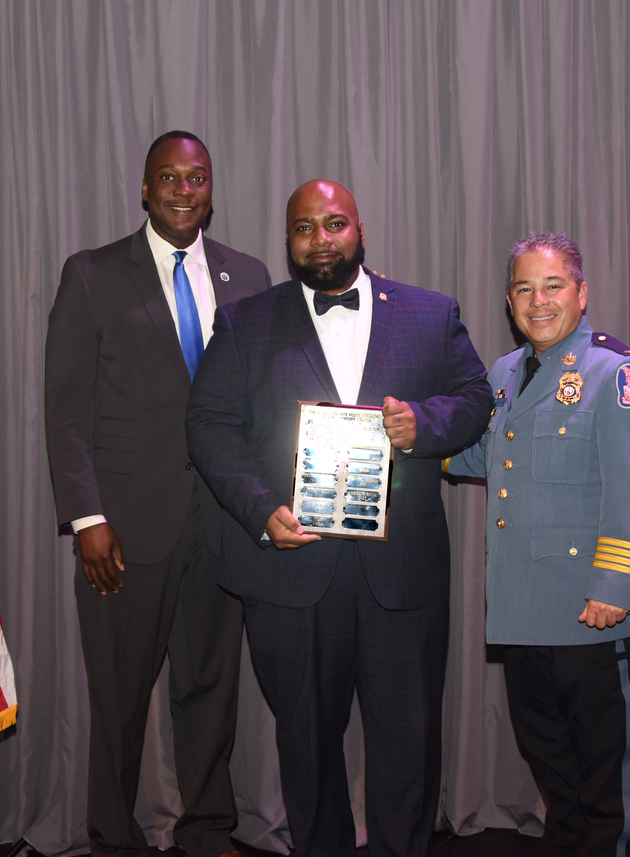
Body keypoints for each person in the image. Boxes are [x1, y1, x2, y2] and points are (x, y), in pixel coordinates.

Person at [185, 179, 491, 857]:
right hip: (292, 574)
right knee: (307, 748)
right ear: (288, 239)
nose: (319, 239)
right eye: (303, 228)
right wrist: (262, 511)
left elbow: (475, 396)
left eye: (333, 224)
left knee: (409, 748)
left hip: (402, 576)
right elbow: (207, 427)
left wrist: (425, 423)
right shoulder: (246, 321)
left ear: (360, 228)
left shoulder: (430, 313)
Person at [45, 130, 271, 857]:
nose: (183, 190)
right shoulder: (92, 273)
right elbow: (67, 410)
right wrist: (87, 517)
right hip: (124, 529)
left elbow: (263, 401)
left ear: (211, 189)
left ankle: (207, 829)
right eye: (168, 178)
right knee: (117, 700)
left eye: (196, 177)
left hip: (219, 524)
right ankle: (114, 838)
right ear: (144, 189)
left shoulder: (250, 275)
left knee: (210, 689)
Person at [445, 233, 630, 857]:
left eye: (552, 285)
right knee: (556, 780)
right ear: (509, 299)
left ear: (581, 292)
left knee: (606, 787)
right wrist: (412, 435)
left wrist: (618, 589)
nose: (537, 301)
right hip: (523, 613)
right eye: (523, 287)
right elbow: (483, 456)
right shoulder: (505, 373)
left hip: (594, 613)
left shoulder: (621, 374)